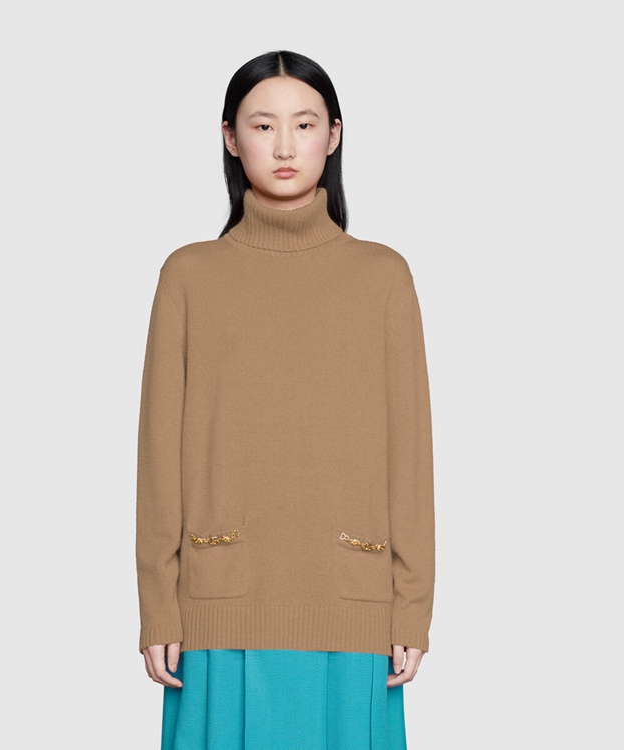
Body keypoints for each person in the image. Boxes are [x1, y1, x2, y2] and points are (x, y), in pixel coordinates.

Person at [135, 49, 435, 749]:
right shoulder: (189, 276)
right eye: (262, 125)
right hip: (217, 609)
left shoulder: (382, 277)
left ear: (333, 135)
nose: (284, 146)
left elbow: (410, 455)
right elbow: (158, 456)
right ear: (230, 138)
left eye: (303, 124)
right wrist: (158, 605)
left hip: (352, 607)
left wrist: (411, 605)